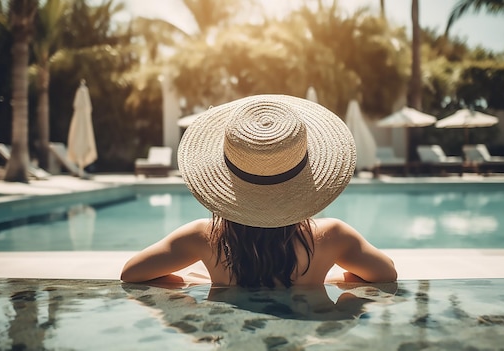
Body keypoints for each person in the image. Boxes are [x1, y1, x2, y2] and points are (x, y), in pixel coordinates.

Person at [121, 94, 397, 287]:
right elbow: (386, 274)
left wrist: (193, 282)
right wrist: (334, 279)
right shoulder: (333, 237)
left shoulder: (204, 238)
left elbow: (131, 273)